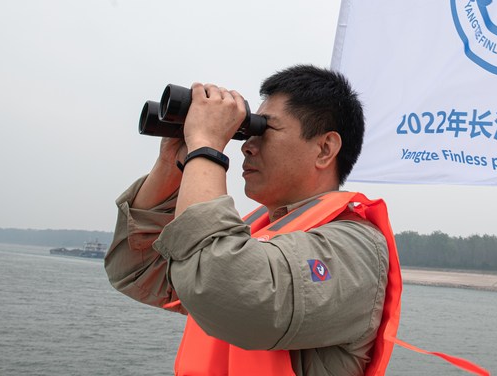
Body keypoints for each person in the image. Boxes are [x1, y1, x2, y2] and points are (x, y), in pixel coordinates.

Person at [105, 65, 399, 376]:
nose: (247, 145)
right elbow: (136, 270)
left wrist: (206, 146)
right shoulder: (251, 239)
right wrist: (172, 162)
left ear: (325, 149)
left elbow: (224, 286)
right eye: (248, 131)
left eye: (265, 130)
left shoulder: (357, 250)